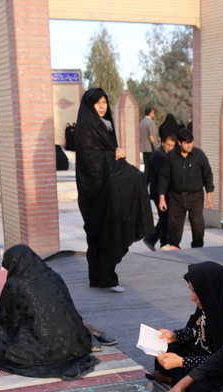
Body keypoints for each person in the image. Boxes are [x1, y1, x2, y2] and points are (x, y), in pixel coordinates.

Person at [0, 244, 105, 380]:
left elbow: (2, 319)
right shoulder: (53, 275)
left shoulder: (15, 284)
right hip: (73, 344)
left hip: (40, 348)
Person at [75, 88, 153, 291]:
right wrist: (113, 155)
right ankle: (101, 278)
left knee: (109, 229)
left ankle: (103, 278)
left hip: (107, 185)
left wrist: (115, 151)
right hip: (94, 189)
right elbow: (90, 160)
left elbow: (105, 152)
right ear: (90, 105)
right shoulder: (86, 126)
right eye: (98, 103)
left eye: (104, 102)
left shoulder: (105, 125)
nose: (102, 107)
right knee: (99, 231)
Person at [151, 261, 223, 386]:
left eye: (197, 292)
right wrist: (175, 336)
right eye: (191, 291)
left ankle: (172, 378)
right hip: (203, 353)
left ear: (209, 291)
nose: (192, 297)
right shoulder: (209, 304)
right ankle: (173, 377)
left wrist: (182, 362)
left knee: (204, 384)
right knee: (166, 347)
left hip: (221, 363)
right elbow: (196, 330)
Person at [158, 128, 214, 249]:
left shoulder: (199, 155)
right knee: (173, 226)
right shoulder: (171, 156)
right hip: (176, 197)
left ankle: (198, 249)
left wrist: (209, 194)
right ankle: (173, 249)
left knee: (198, 225)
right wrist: (162, 198)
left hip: (195, 197)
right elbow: (164, 177)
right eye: (186, 143)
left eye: (191, 142)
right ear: (179, 142)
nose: (189, 146)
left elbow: (208, 174)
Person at [143, 133, 177, 251]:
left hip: (164, 191)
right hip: (160, 192)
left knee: (165, 217)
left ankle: (163, 243)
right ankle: (151, 239)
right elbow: (164, 175)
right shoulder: (159, 155)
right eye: (168, 145)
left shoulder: (165, 155)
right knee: (165, 217)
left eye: (172, 145)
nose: (170, 147)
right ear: (163, 143)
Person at [139, 107, 157, 182]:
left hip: (143, 147)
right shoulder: (150, 123)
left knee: (147, 167)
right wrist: (156, 146)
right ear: (151, 112)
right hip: (150, 148)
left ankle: (145, 183)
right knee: (153, 166)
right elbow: (152, 136)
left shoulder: (141, 122)